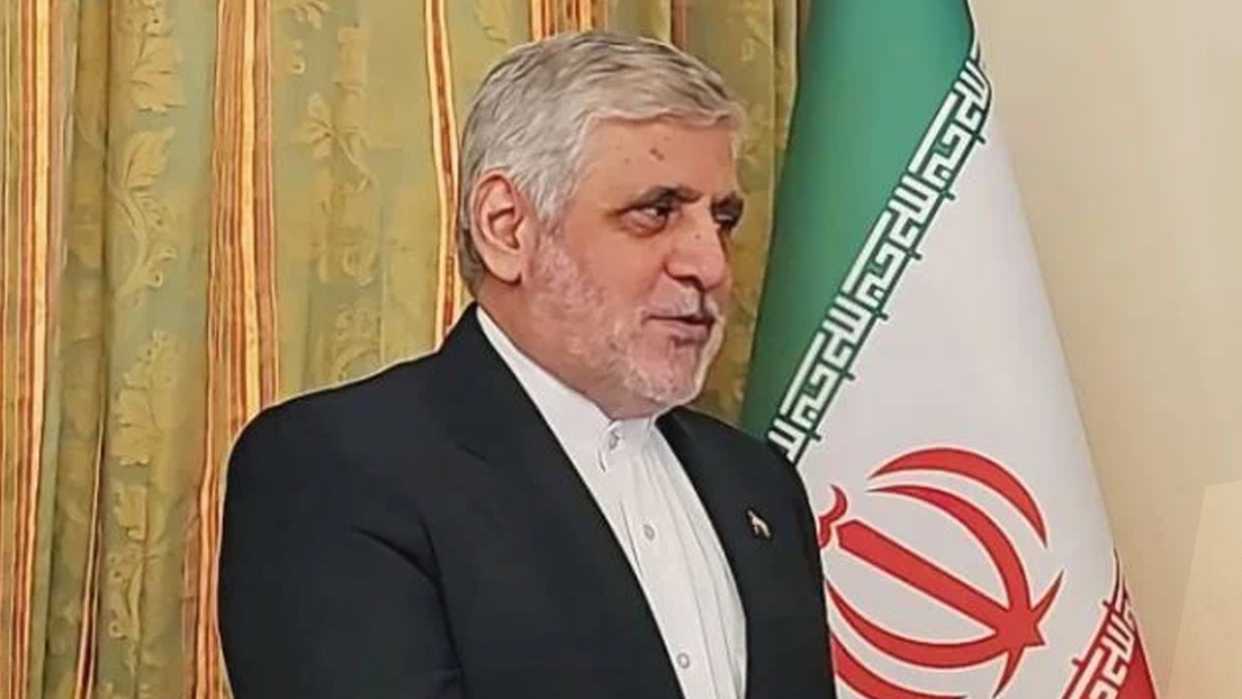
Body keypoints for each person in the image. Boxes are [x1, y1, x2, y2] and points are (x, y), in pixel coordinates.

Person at [218, 31, 834, 699]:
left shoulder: (758, 484)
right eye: (656, 213)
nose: (709, 265)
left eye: (722, 220)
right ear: (507, 227)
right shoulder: (337, 469)